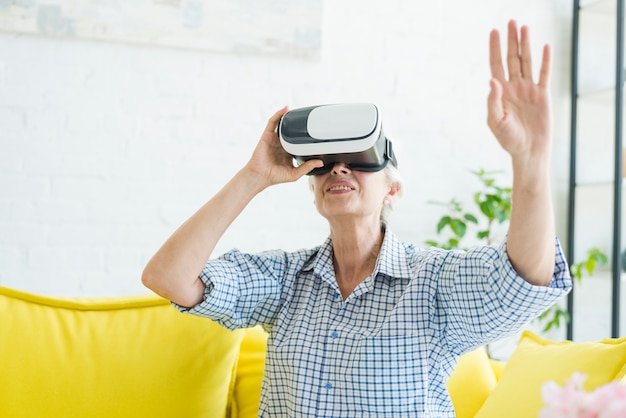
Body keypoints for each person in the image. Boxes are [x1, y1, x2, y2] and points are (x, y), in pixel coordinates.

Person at [142, 20, 572, 417]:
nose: (339, 169)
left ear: (392, 189)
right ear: (313, 188)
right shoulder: (284, 280)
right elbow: (169, 277)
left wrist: (530, 161)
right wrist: (253, 177)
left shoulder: (432, 282)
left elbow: (525, 279)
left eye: (361, 158)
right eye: (326, 162)